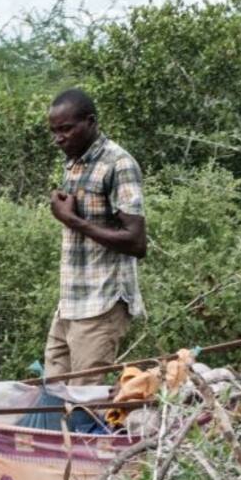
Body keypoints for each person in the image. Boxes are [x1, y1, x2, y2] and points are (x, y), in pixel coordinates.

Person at [44, 88, 146, 384]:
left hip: (101, 304)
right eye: (54, 131)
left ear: (90, 122)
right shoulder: (74, 161)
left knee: (84, 400)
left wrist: (72, 220)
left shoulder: (118, 163)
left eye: (66, 129)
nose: (59, 138)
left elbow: (136, 242)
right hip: (71, 301)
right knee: (51, 393)